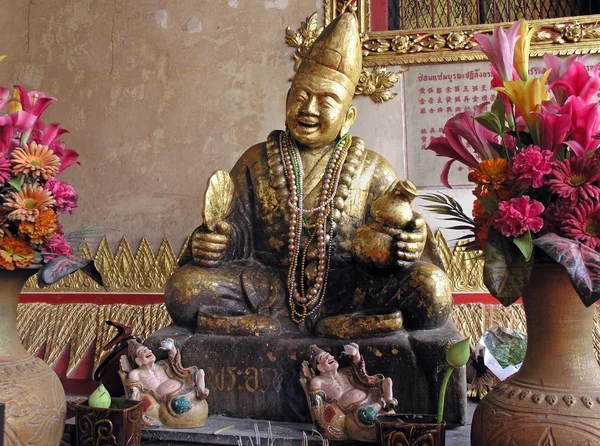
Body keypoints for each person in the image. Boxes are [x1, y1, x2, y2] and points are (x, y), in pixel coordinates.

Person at [165, 12, 452, 337]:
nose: (309, 109)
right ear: (287, 100)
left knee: (433, 290)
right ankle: (263, 324)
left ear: (348, 117)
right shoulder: (256, 160)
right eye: (300, 96)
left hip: (352, 289)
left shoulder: (373, 169)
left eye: (326, 101)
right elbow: (237, 229)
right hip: (266, 285)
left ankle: (351, 322)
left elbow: (402, 229)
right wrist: (217, 242)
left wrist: (410, 242)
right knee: (183, 289)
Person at [300, 344, 396, 441]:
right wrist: (307, 382)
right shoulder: (318, 381)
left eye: (329, 355)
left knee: (387, 382)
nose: (330, 357)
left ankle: (387, 402)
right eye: (323, 357)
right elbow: (316, 406)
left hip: (371, 398)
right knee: (365, 415)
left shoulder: (346, 372)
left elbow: (362, 375)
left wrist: (356, 356)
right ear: (320, 367)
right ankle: (380, 405)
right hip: (357, 412)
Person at [121, 338, 209, 427]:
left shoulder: (161, 365)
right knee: (180, 404)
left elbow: (175, 363)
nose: (147, 351)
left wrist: (171, 348)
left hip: (184, 388)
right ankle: (197, 394)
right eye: (142, 351)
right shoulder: (136, 374)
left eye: (147, 349)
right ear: (138, 361)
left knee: (199, 373)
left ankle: (200, 391)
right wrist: (136, 411)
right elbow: (133, 391)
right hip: (170, 398)